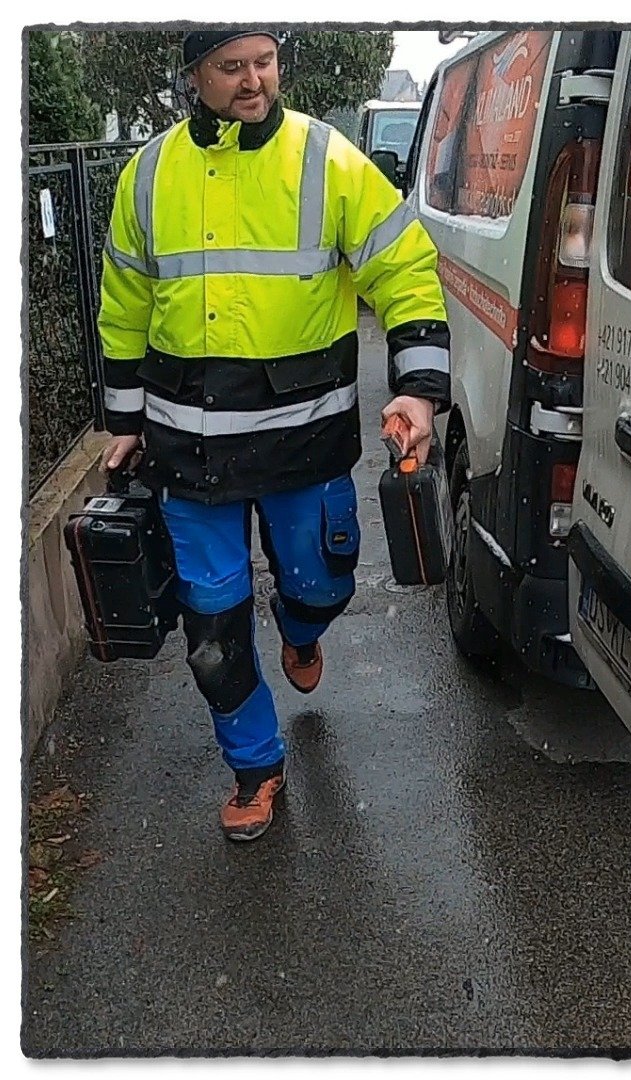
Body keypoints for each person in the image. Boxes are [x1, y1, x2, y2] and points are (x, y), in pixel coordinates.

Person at [97, 29, 450, 841]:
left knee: (322, 585)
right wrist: (123, 421)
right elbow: (123, 304)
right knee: (212, 633)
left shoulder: (329, 161)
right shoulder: (148, 174)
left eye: (264, 61)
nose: (252, 80)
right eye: (231, 67)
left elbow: (404, 267)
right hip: (187, 452)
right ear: (194, 75)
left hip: (304, 443)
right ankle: (255, 768)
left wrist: (417, 389)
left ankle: (302, 628)